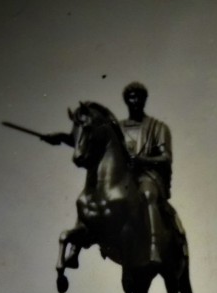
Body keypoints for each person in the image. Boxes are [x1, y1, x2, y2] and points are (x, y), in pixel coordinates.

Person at [42, 81, 187, 263]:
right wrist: (61, 138)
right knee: (87, 198)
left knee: (149, 194)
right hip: (121, 178)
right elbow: (89, 138)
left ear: (144, 99)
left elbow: (165, 158)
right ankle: (76, 246)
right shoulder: (118, 127)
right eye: (131, 97)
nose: (135, 101)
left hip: (147, 176)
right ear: (126, 100)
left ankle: (154, 247)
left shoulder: (158, 127)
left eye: (138, 97)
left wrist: (141, 160)